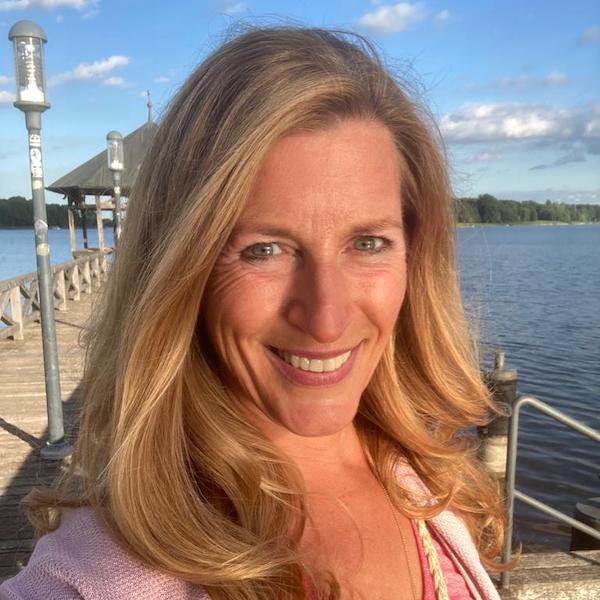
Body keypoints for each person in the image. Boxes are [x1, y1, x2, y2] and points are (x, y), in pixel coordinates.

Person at [1, 26, 508, 600]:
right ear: (181, 269)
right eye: (263, 250)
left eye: (368, 243)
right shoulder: (100, 573)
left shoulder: (429, 489)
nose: (326, 319)